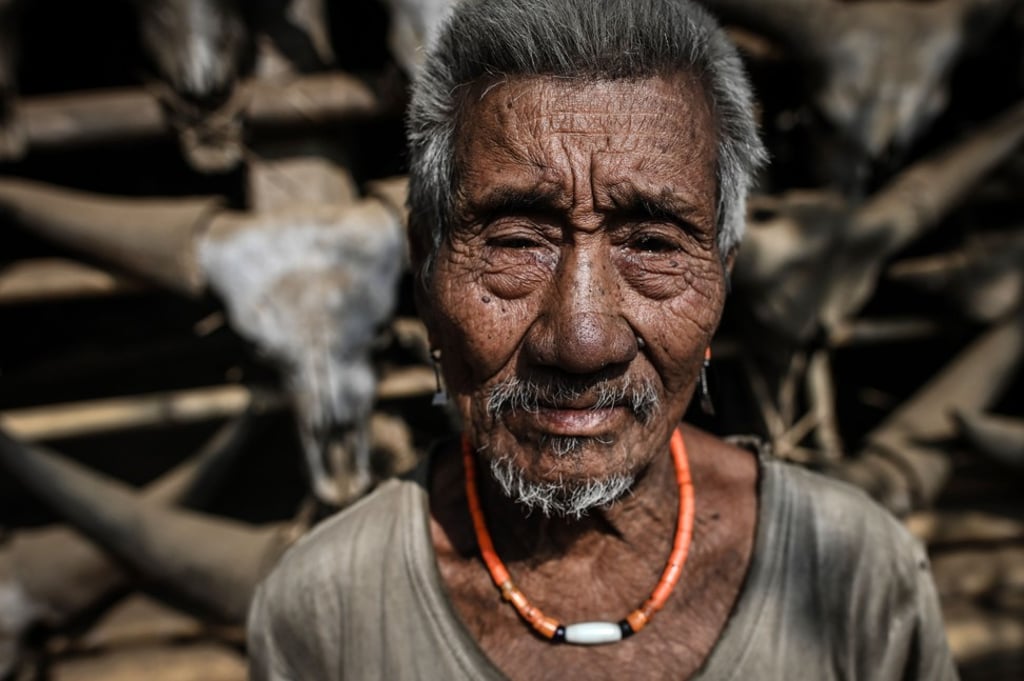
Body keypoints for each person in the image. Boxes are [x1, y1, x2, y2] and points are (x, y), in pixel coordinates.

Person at [247, 0, 959, 678]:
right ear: (425, 267)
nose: (583, 341)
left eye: (652, 244)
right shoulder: (326, 611)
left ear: (722, 279)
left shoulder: (859, 572)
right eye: (516, 241)